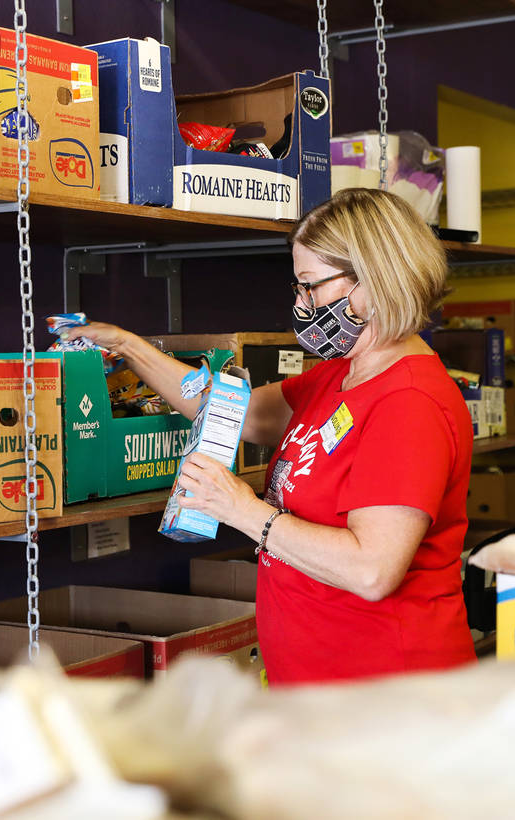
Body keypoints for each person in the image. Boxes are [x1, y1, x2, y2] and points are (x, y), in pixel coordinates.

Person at [62, 187, 476, 685]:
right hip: (319, 692)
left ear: (374, 278)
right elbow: (226, 411)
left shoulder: (409, 403)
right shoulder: (338, 377)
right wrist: (128, 347)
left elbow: (372, 570)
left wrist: (241, 509)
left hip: (387, 694)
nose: (301, 305)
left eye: (310, 285)